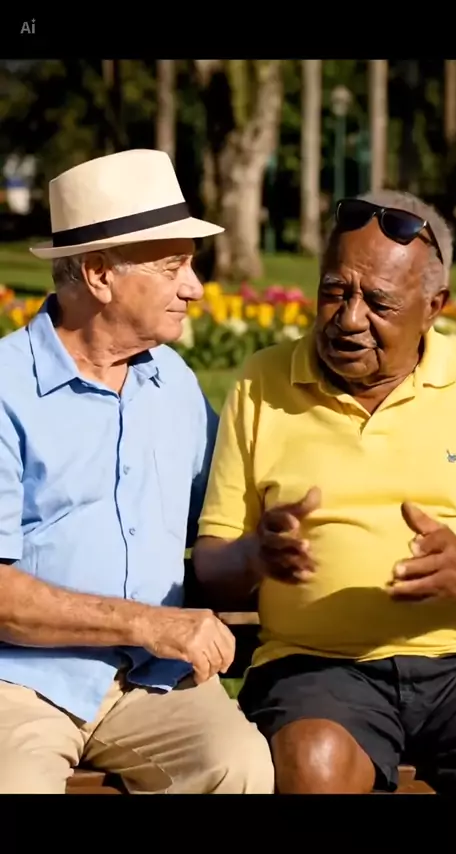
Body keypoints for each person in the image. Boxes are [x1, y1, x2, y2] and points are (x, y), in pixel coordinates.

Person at [0, 149, 274, 795]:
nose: (195, 287)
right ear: (99, 274)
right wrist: (148, 623)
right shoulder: (6, 388)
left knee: (238, 769)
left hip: (154, 682)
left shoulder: (171, 381)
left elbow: (226, 504)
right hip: (21, 682)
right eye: (173, 267)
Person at [194, 189, 456, 796]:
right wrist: (255, 555)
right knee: (313, 762)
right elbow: (214, 565)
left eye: (379, 302)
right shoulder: (263, 382)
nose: (348, 319)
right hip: (319, 669)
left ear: (433, 306)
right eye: (334, 291)